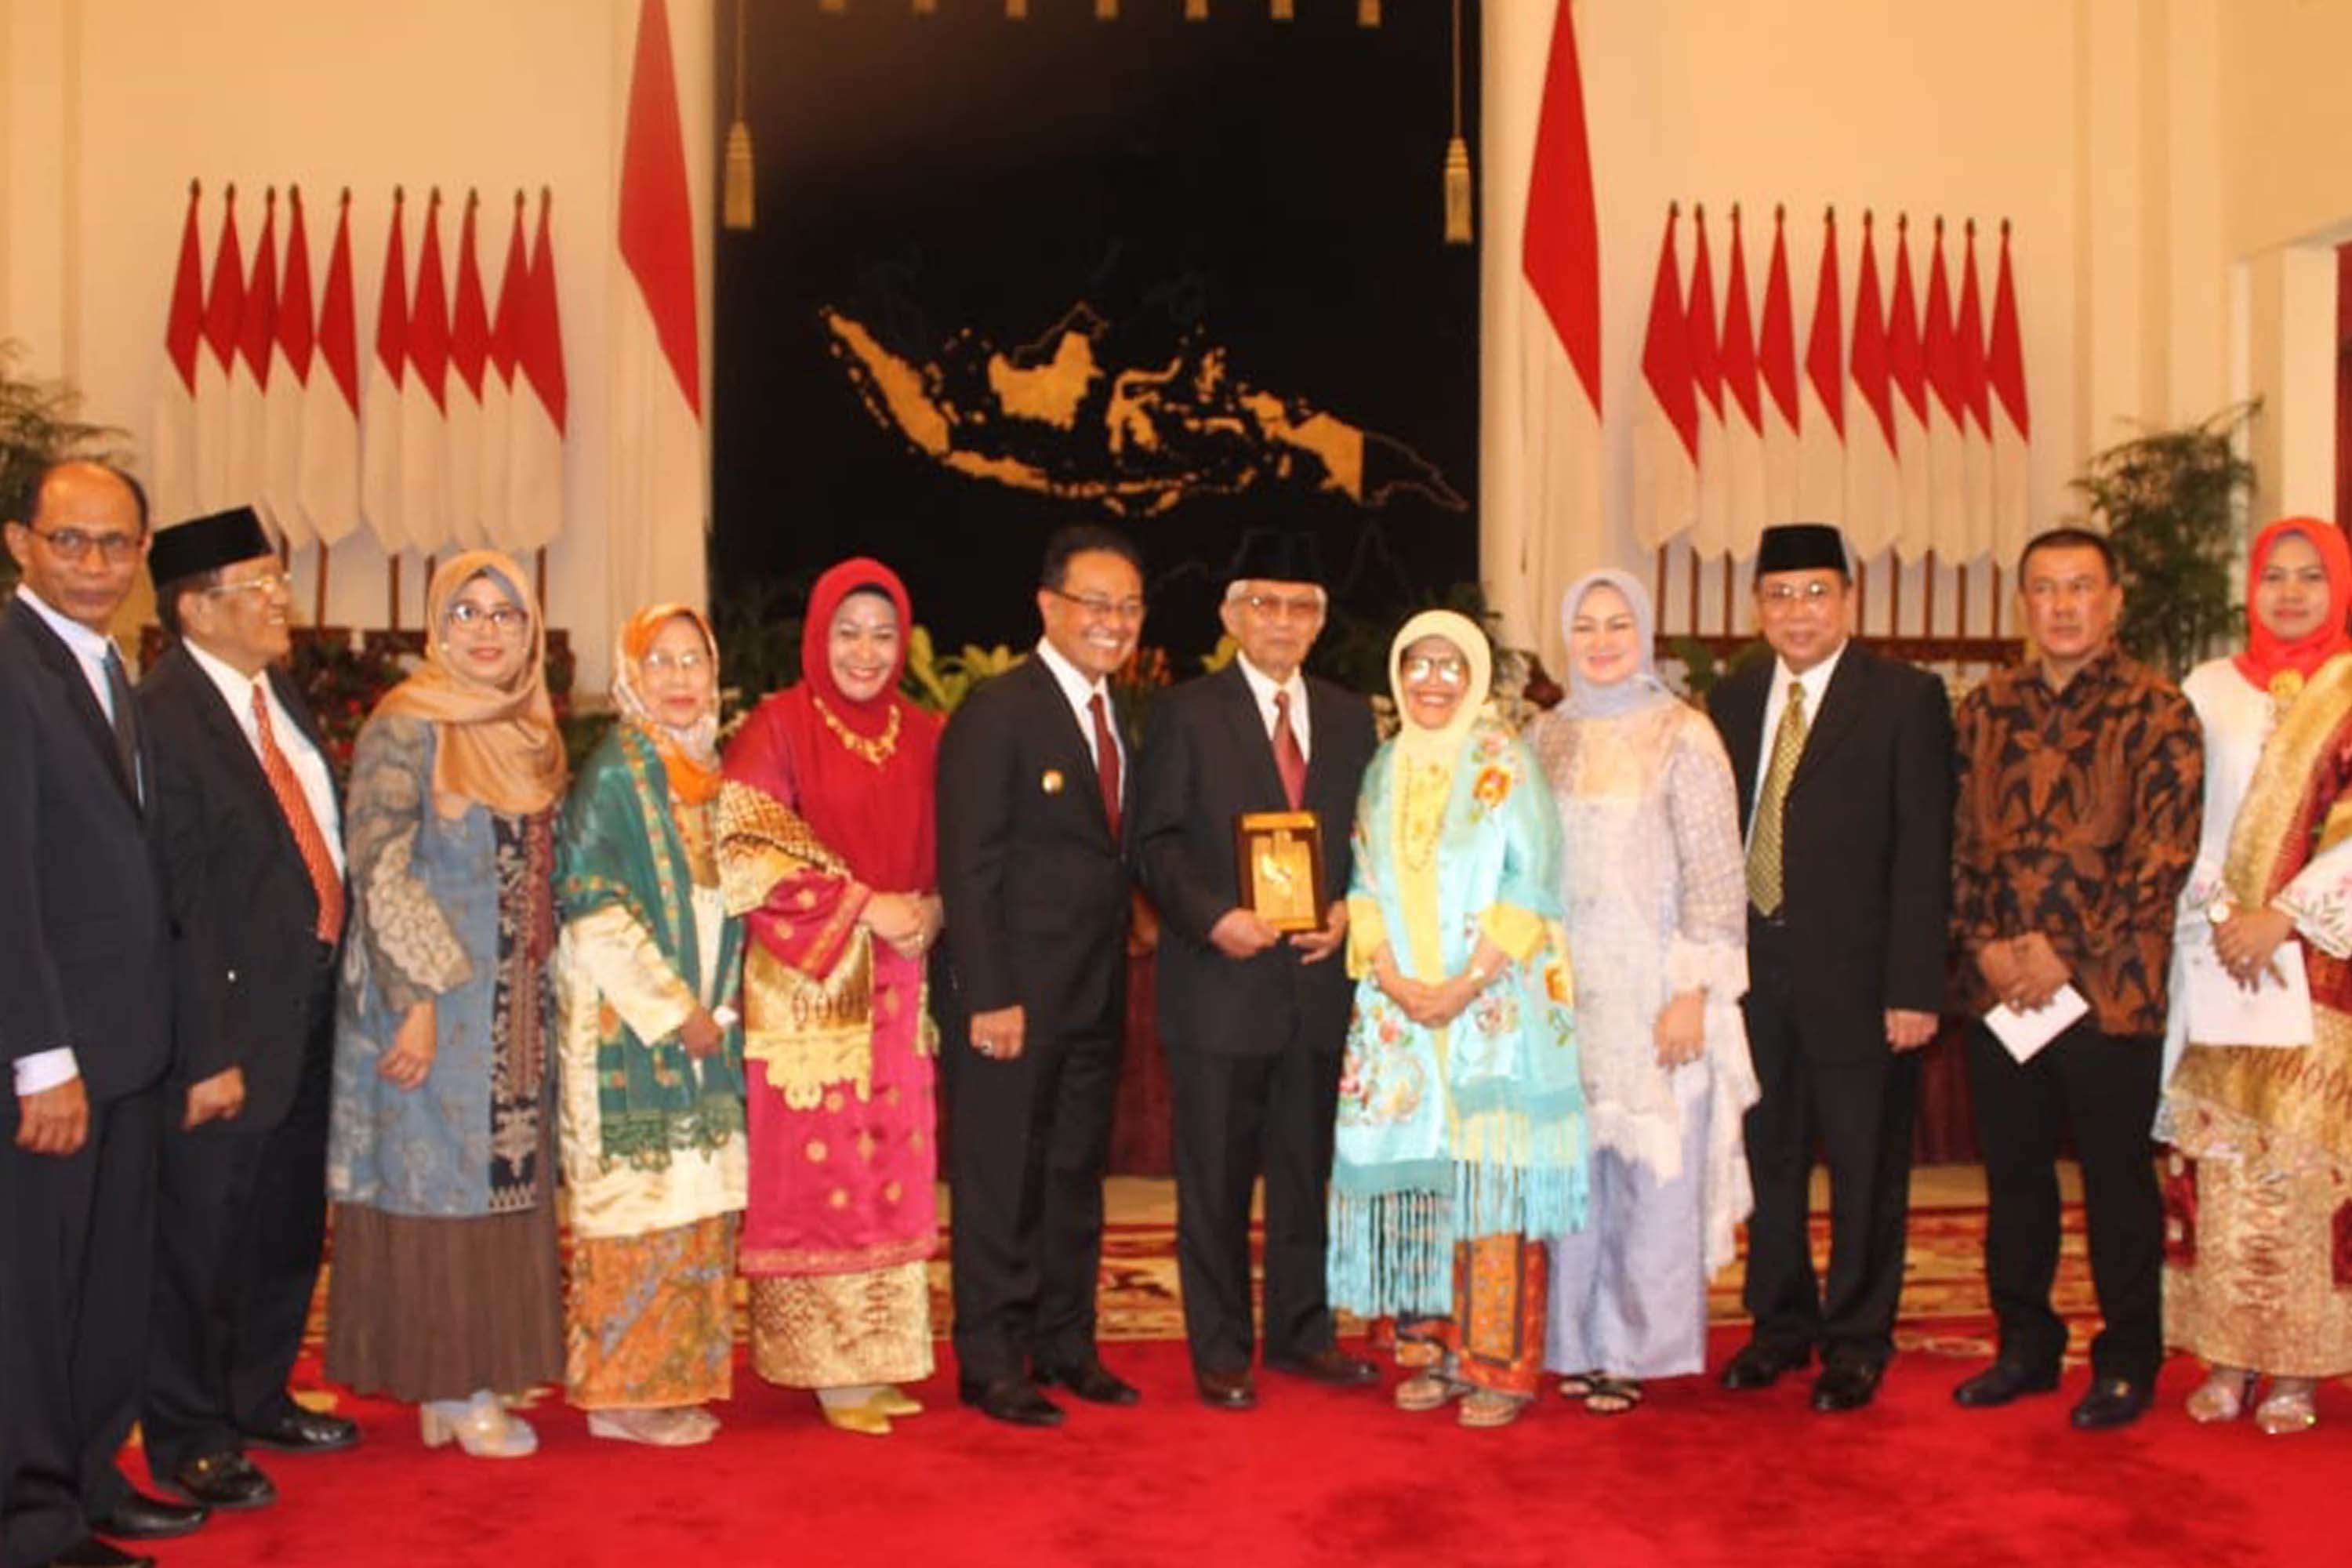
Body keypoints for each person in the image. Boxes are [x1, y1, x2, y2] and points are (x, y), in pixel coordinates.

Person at [1951, 525, 2201, 1431]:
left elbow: (2162, 852)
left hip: (2109, 991)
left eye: (2080, 587)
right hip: (1999, 991)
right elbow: (1957, 844)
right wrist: (1983, 945)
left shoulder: (2158, 708)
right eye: (2045, 589)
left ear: (2115, 600)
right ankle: (2025, 1345)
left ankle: (2129, 1358)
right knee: (2015, 1182)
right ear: (2023, 603)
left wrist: (2064, 948)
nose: (2062, 605)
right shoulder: (1983, 709)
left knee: (2115, 1187)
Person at [138, 506, 361, 1518]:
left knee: (281, 1222)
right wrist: (205, 1051)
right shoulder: (164, 715)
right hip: (226, 1027)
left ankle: (258, 1394)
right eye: (260, 585)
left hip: (309, 1003)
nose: (282, 599)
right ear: (197, 607)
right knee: (201, 1237)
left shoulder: (278, 697)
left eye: (278, 581)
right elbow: (174, 899)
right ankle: (189, 1435)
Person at [324, 550, 568, 1458]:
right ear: (438, 624)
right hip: (432, 1008)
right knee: (436, 1194)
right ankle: (457, 1385)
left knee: (499, 1191)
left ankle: (463, 1377)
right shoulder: (408, 724)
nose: (487, 630)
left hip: (514, 1018)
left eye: (506, 613)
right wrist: (416, 998)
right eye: (466, 611)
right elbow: (380, 863)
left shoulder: (531, 731)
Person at [1707, 521, 1953, 1414]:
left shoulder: (1904, 698)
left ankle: (1856, 1337)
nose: (1798, 610)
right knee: (1768, 1156)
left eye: (1816, 591)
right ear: (1758, 607)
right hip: (1755, 978)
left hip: (1864, 984)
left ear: (1848, 598)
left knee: (1863, 1167)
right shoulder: (1730, 699)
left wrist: (1915, 987)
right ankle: (1779, 1324)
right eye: (1780, 593)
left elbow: (1925, 850)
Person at [1131, 543, 1380, 1411]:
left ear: (1319, 621)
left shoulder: (1353, 719)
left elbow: (1371, 843)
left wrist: (1351, 909)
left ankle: (1304, 1332)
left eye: (1300, 606)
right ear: (1232, 618)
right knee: (1216, 1180)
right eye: (1264, 605)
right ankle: (1223, 1346)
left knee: (1308, 1172)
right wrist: (1213, 917)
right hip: (1219, 987)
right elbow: (1153, 842)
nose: (1282, 621)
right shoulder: (1186, 712)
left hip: (1315, 987)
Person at [1327, 609, 1586, 1430]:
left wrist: (1466, 982)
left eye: (1450, 665)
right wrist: (1396, 975)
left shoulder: (1505, 761)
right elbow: (1362, 883)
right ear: (1399, 675)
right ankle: (1431, 1350)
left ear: (1474, 675)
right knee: (1421, 1183)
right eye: (1418, 664)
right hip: (1402, 1013)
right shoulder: (1383, 766)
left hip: (1493, 1009)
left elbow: (1533, 883)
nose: (1433, 681)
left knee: (1491, 1183)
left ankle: (1498, 1364)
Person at [1, 461, 193, 1568]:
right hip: (55, 1055)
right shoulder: (10, 664)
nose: (92, 565)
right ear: (20, 542)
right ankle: (30, 1519)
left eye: (114, 545)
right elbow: (9, 880)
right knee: (35, 1292)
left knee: (107, 1281)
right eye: (68, 541)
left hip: (127, 1048)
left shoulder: (110, 664)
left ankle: (85, 1475)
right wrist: (39, 1056)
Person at [717, 561, 942, 1437]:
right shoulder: (777, 725)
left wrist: (934, 904)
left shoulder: (924, 731)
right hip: (812, 983)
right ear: (818, 634)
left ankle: (877, 1355)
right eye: (847, 631)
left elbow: (956, 842)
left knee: (891, 1169)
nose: (865, 651)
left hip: (900, 980)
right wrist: (864, 905)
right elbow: (746, 848)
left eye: (884, 635)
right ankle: (825, 1368)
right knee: (824, 1173)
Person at [1530, 571, 1759, 1416]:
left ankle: (1636, 1344)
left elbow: (1714, 873)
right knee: (1577, 1174)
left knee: (1652, 1173)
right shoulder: (1544, 735)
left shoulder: (1683, 733)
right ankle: (1576, 1342)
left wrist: (1693, 990)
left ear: (1646, 630)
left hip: (1656, 987)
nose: (1599, 639)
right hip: (1566, 993)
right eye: (1583, 624)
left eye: (1617, 623)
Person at [936, 524, 1145, 1428]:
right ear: (1048, 605)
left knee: (1072, 1176)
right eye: (1096, 603)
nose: (1114, 621)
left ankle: (1067, 1344)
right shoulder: (999, 710)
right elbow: (969, 862)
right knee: (1000, 1180)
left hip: (1094, 993)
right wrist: (990, 993)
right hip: (1012, 1000)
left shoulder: (1117, 714)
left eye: (1129, 607)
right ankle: (991, 1360)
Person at [2159, 516, 2352, 1435]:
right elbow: (2178, 812)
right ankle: (2226, 1353)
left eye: (2310, 576)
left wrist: (2289, 915)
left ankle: (2298, 1366)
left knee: (2305, 1168)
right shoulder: (2206, 688)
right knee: (2222, 1163)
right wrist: (2225, 915)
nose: (2289, 592)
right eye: (2274, 574)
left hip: (2324, 963)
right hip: (2217, 955)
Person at [557, 604, 747, 1446]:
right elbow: (591, 910)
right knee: (638, 1204)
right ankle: (620, 1391)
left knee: (692, 1199)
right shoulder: (616, 774)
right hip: (628, 1025)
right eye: (659, 661)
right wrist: (676, 1011)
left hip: (704, 1021)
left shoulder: (708, 771)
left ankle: (669, 1380)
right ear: (631, 675)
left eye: (692, 661)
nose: (678, 678)